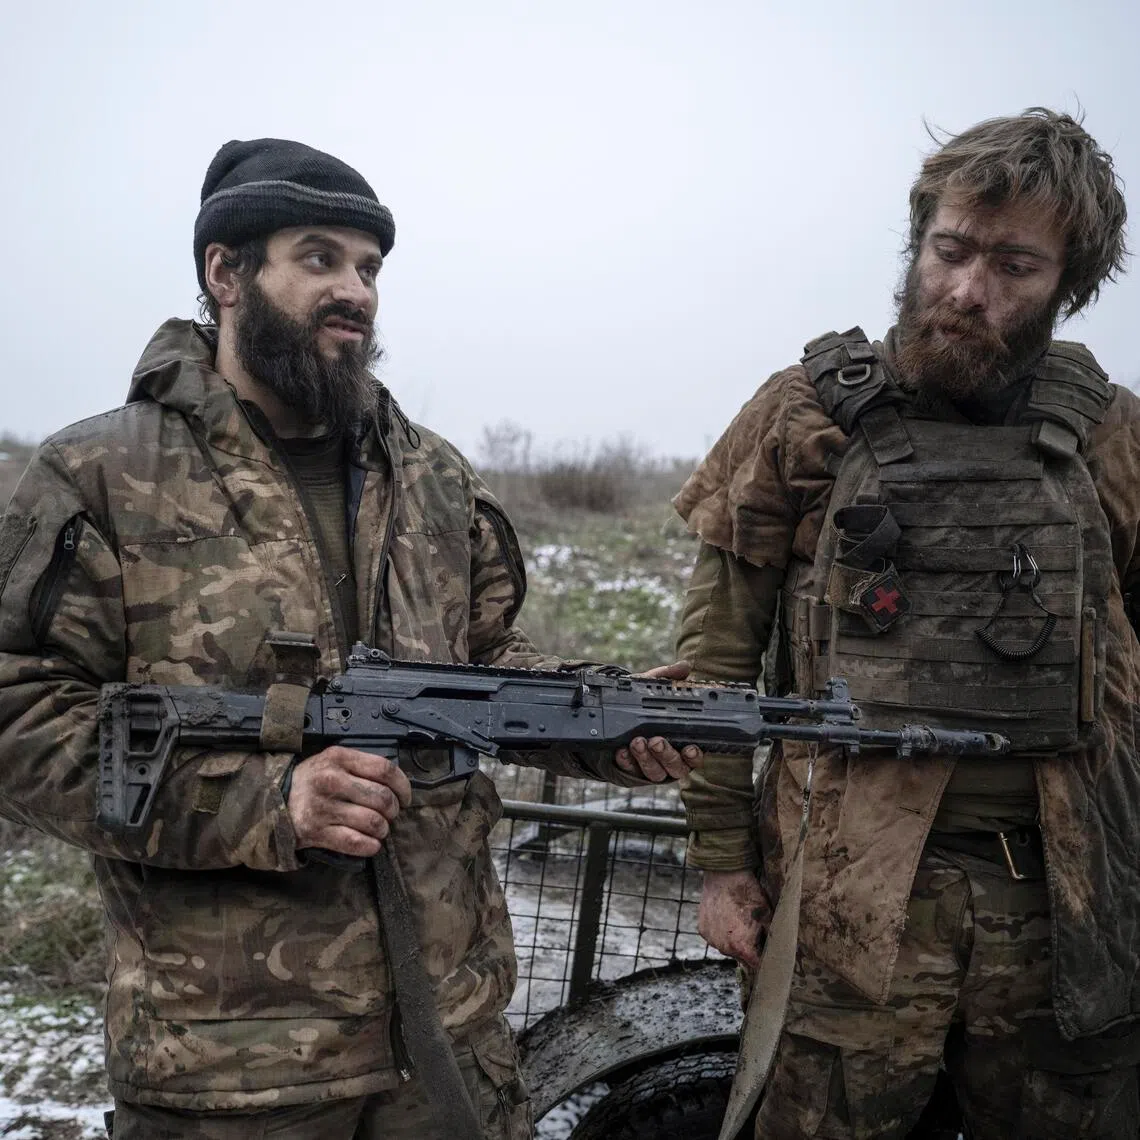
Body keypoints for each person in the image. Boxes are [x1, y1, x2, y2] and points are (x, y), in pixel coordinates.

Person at [0, 138, 697, 1139]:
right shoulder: (99, 478)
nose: (356, 291)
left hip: (448, 1049)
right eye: (319, 257)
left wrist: (610, 721)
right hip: (233, 1074)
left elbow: (486, 667)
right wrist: (266, 802)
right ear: (225, 272)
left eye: (370, 268)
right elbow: (21, 716)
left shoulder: (436, 479)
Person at [674, 108, 1140, 1137]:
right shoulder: (801, 414)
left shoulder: (1113, 435)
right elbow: (713, 659)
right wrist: (718, 864)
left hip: (1069, 913)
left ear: (1069, 281)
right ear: (917, 239)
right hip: (849, 906)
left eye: (1015, 265)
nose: (969, 292)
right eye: (951, 250)